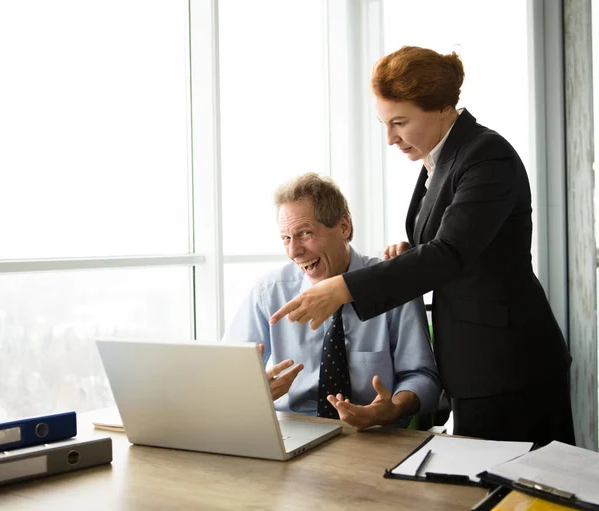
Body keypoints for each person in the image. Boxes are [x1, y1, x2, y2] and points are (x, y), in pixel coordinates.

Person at [270, 46, 575, 446]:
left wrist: (345, 287)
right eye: (384, 123)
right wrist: (411, 249)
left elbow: (451, 252)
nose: (390, 138)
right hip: (473, 364)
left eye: (399, 122)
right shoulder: (439, 161)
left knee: (521, 499)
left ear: (444, 108)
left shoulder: (487, 156)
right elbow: (450, 244)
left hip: (509, 362)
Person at [223, 172, 441, 430]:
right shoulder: (269, 292)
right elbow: (227, 377)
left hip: (374, 435)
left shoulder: (392, 284)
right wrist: (253, 391)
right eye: (286, 238)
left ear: (343, 227)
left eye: (305, 233)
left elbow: (423, 377)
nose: (294, 251)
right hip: (292, 429)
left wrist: (393, 409)